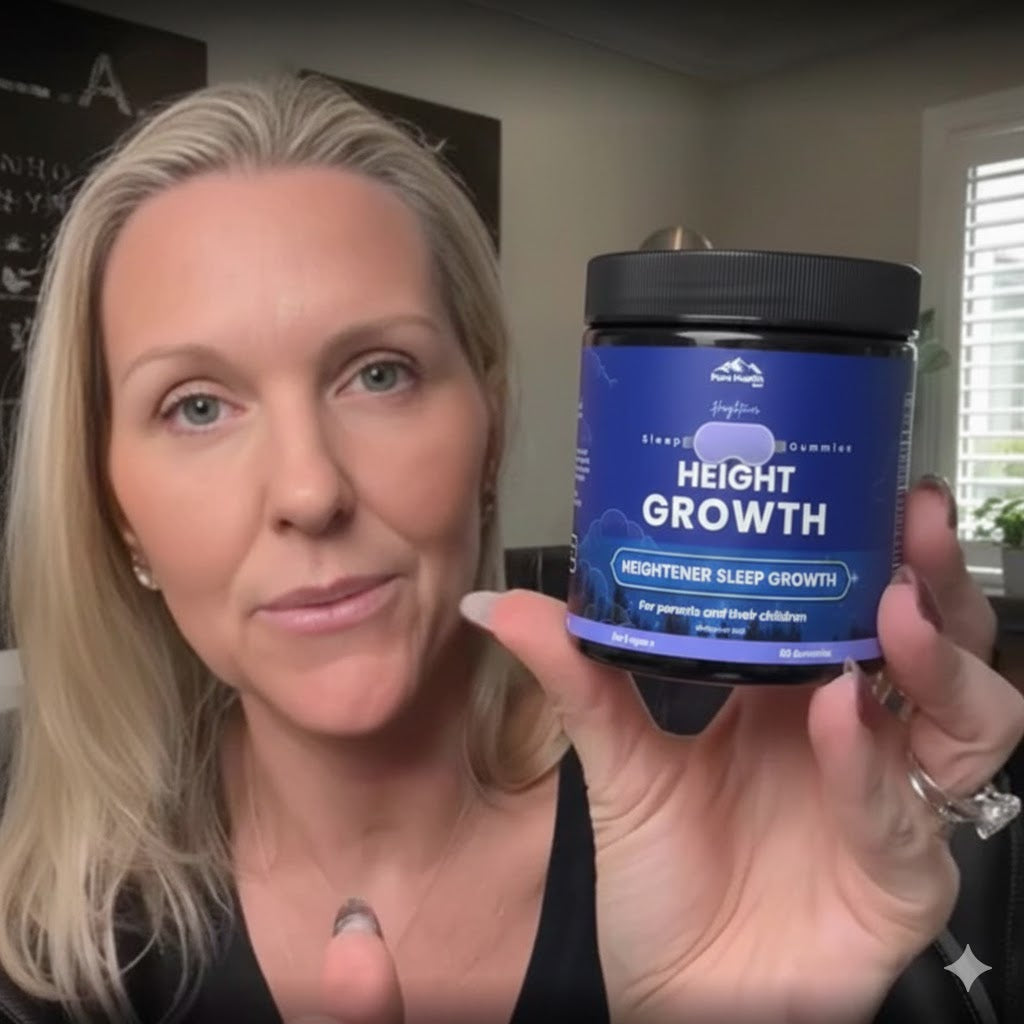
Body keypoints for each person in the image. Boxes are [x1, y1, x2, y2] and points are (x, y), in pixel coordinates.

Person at [0, 73, 1020, 1024]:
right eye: (196, 405)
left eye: (379, 374)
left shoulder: (748, 789)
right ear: (114, 507)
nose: (309, 492)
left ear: (488, 424)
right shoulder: (49, 909)